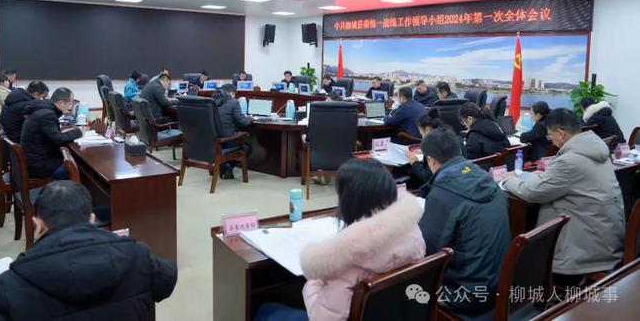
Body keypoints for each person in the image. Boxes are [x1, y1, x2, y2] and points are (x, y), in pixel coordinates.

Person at [255, 158, 426, 321]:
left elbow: (322, 318)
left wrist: (314, 282)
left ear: (351, 200)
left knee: (265, 310)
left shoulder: (347, 262)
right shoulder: (412, 231)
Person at [0, 181, 177, 319]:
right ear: (91, 220)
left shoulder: (8, 286)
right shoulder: (137, 257)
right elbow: (168, 278)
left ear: (37, 225)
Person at [502, 109, 625, 284]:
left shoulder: (570, 161)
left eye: (550, 136)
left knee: (521, 261)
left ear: (560, 133)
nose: (550, 140)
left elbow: (532, 193)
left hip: (583, 253)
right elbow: (566, 180)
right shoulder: (595, 150)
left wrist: (508, 179)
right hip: (605, 239)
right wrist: (540, 175)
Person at [419, 128, 510, 315]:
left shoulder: (444, 193)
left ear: (430, 160)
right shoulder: (485, 178)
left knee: (403, 287)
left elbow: (427, 252)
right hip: (501, 282)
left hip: (466, 295)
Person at [20, 87, 83, 180]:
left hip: (33, 158)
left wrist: (64, 133)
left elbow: (51, 134)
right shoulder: (47, 114)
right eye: (70, 104)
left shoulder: (44, 109)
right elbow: (58, 139)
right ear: (61, 103)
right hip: (38, 164)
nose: (70, 108)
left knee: (74, 161)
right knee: (76, 168)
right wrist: (79, 132)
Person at [213, 84, 253, 179]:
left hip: (214, 141)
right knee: (248, 147)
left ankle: (224, 165)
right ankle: (228, 166)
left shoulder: (213, 101)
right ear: (231, 93)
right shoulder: (233, 102)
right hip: (228, 141)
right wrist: (250, 118)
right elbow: (243, 122)